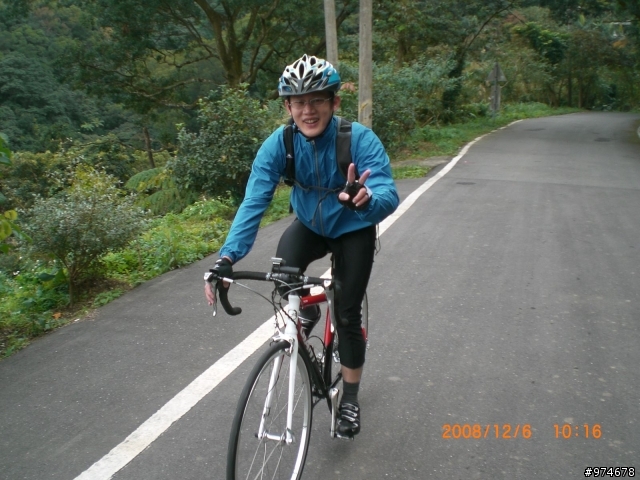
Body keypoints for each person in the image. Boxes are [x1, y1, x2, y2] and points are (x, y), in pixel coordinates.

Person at [205, 54, 399, 438]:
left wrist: (366, 201)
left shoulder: (358, 139)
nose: (307, 110)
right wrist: (227, 256)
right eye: (298, 102)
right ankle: (307, 310)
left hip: (354, 227)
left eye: (316, 100)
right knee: (282, 275)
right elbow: (254, 201)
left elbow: (387, 193)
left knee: (346, 315)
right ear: (288, 107)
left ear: (334, 102)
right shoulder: (280, 144)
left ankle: (349, 399)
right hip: (310, 225)